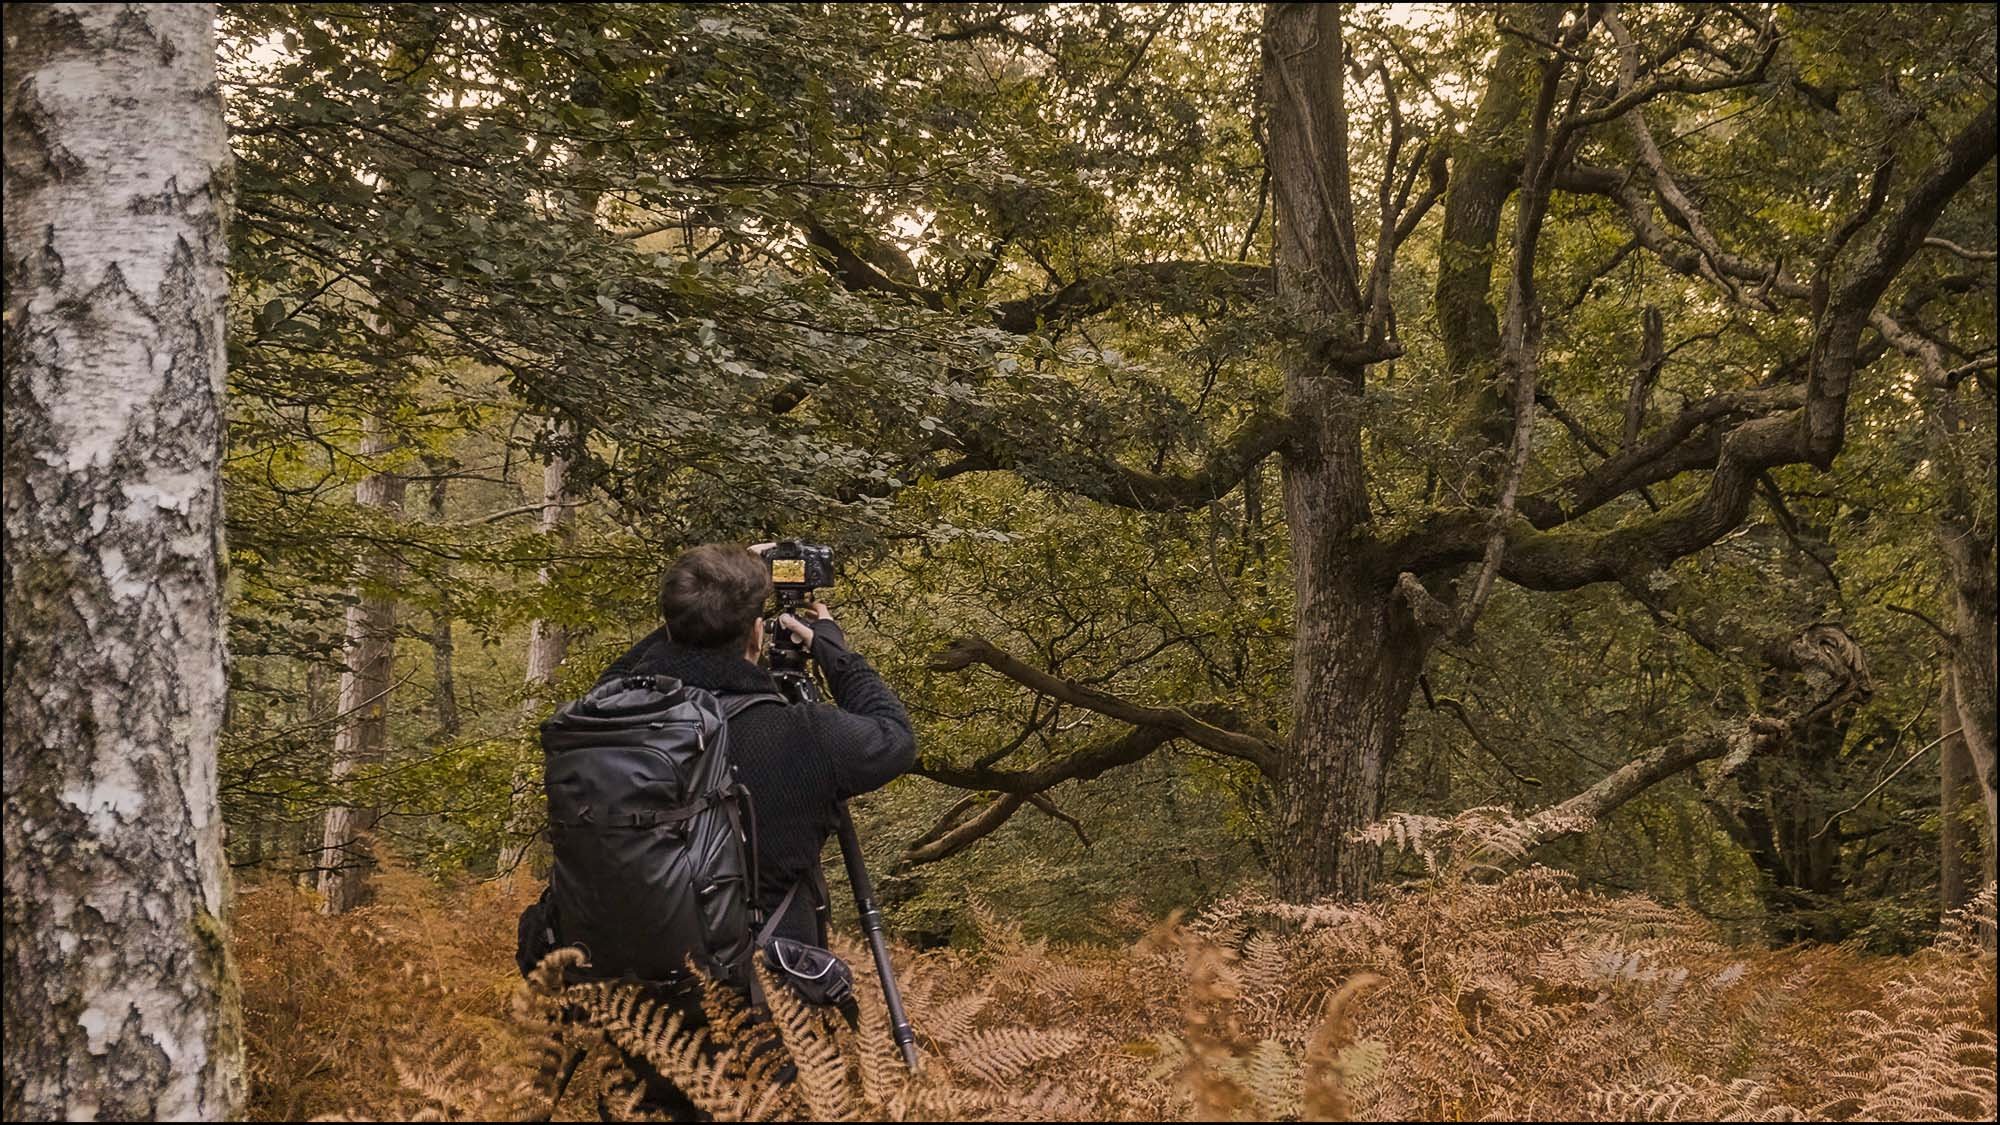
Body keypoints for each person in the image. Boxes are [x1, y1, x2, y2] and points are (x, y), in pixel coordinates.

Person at [588, 542, 916, 1118]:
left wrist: (700, 605)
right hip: (765, 1008)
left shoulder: (611, 722)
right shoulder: (801, 734)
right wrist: (835, 651)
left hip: (639, 1003)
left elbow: (618, 676)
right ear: (757, 636)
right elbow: (894, 736)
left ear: (670, 626)